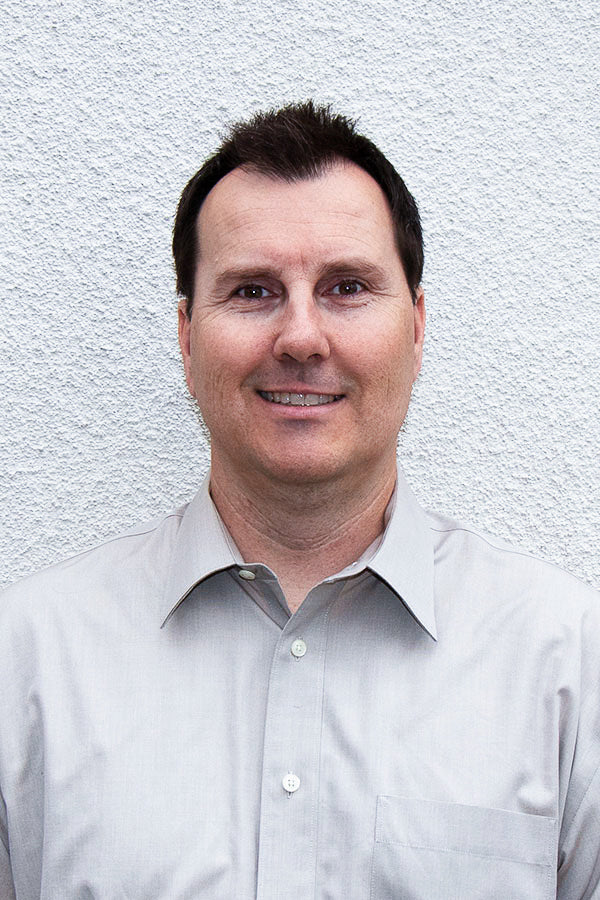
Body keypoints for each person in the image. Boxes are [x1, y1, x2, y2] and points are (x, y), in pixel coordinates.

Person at [0, 101, 598, 900]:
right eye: (253, 291)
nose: (302, 338)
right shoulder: (26, 664)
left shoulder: (567, 664)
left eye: (347, 287)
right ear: (186, 337)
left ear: (417, 328)